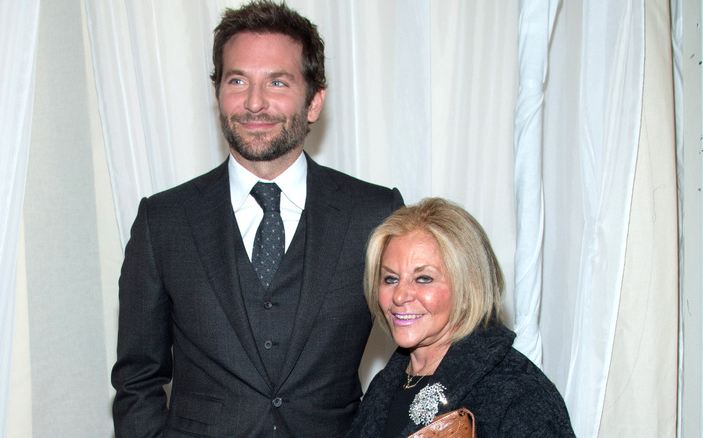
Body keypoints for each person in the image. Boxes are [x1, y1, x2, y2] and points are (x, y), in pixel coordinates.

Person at [111, 1, 404, 436]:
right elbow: (138, 378)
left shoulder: (374, 213)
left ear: (314, 101)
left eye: (278, 82)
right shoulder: (163, 220)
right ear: (217, 96)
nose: (254, 102)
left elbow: (428, 343)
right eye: (237, 80)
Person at [347, 198, 574, 437]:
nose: (400, 295)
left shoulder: (518, 393)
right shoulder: (385, 384)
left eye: (424, 278)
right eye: (390, 279)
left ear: (468, 290)